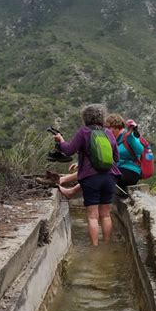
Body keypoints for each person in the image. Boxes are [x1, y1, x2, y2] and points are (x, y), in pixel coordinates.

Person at [54, 104, 120, 246]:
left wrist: (60, 141)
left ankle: (95, 248)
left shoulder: (84, 132)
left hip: (91, 178)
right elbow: (116, 158)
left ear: (85, 117)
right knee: (106, 214)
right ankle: (107, 245)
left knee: (92, 216)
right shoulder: (108, 133)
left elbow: (69, 150)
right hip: (110, 177)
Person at [107, 114, 144, 193]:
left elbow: (140, 150)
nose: (108, 130)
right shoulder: (112, 139)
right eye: (107, 128)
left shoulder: (129, 135)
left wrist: (130, 136)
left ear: (118, 127)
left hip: (131, 171)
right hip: (118, 169)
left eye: (110, 127)